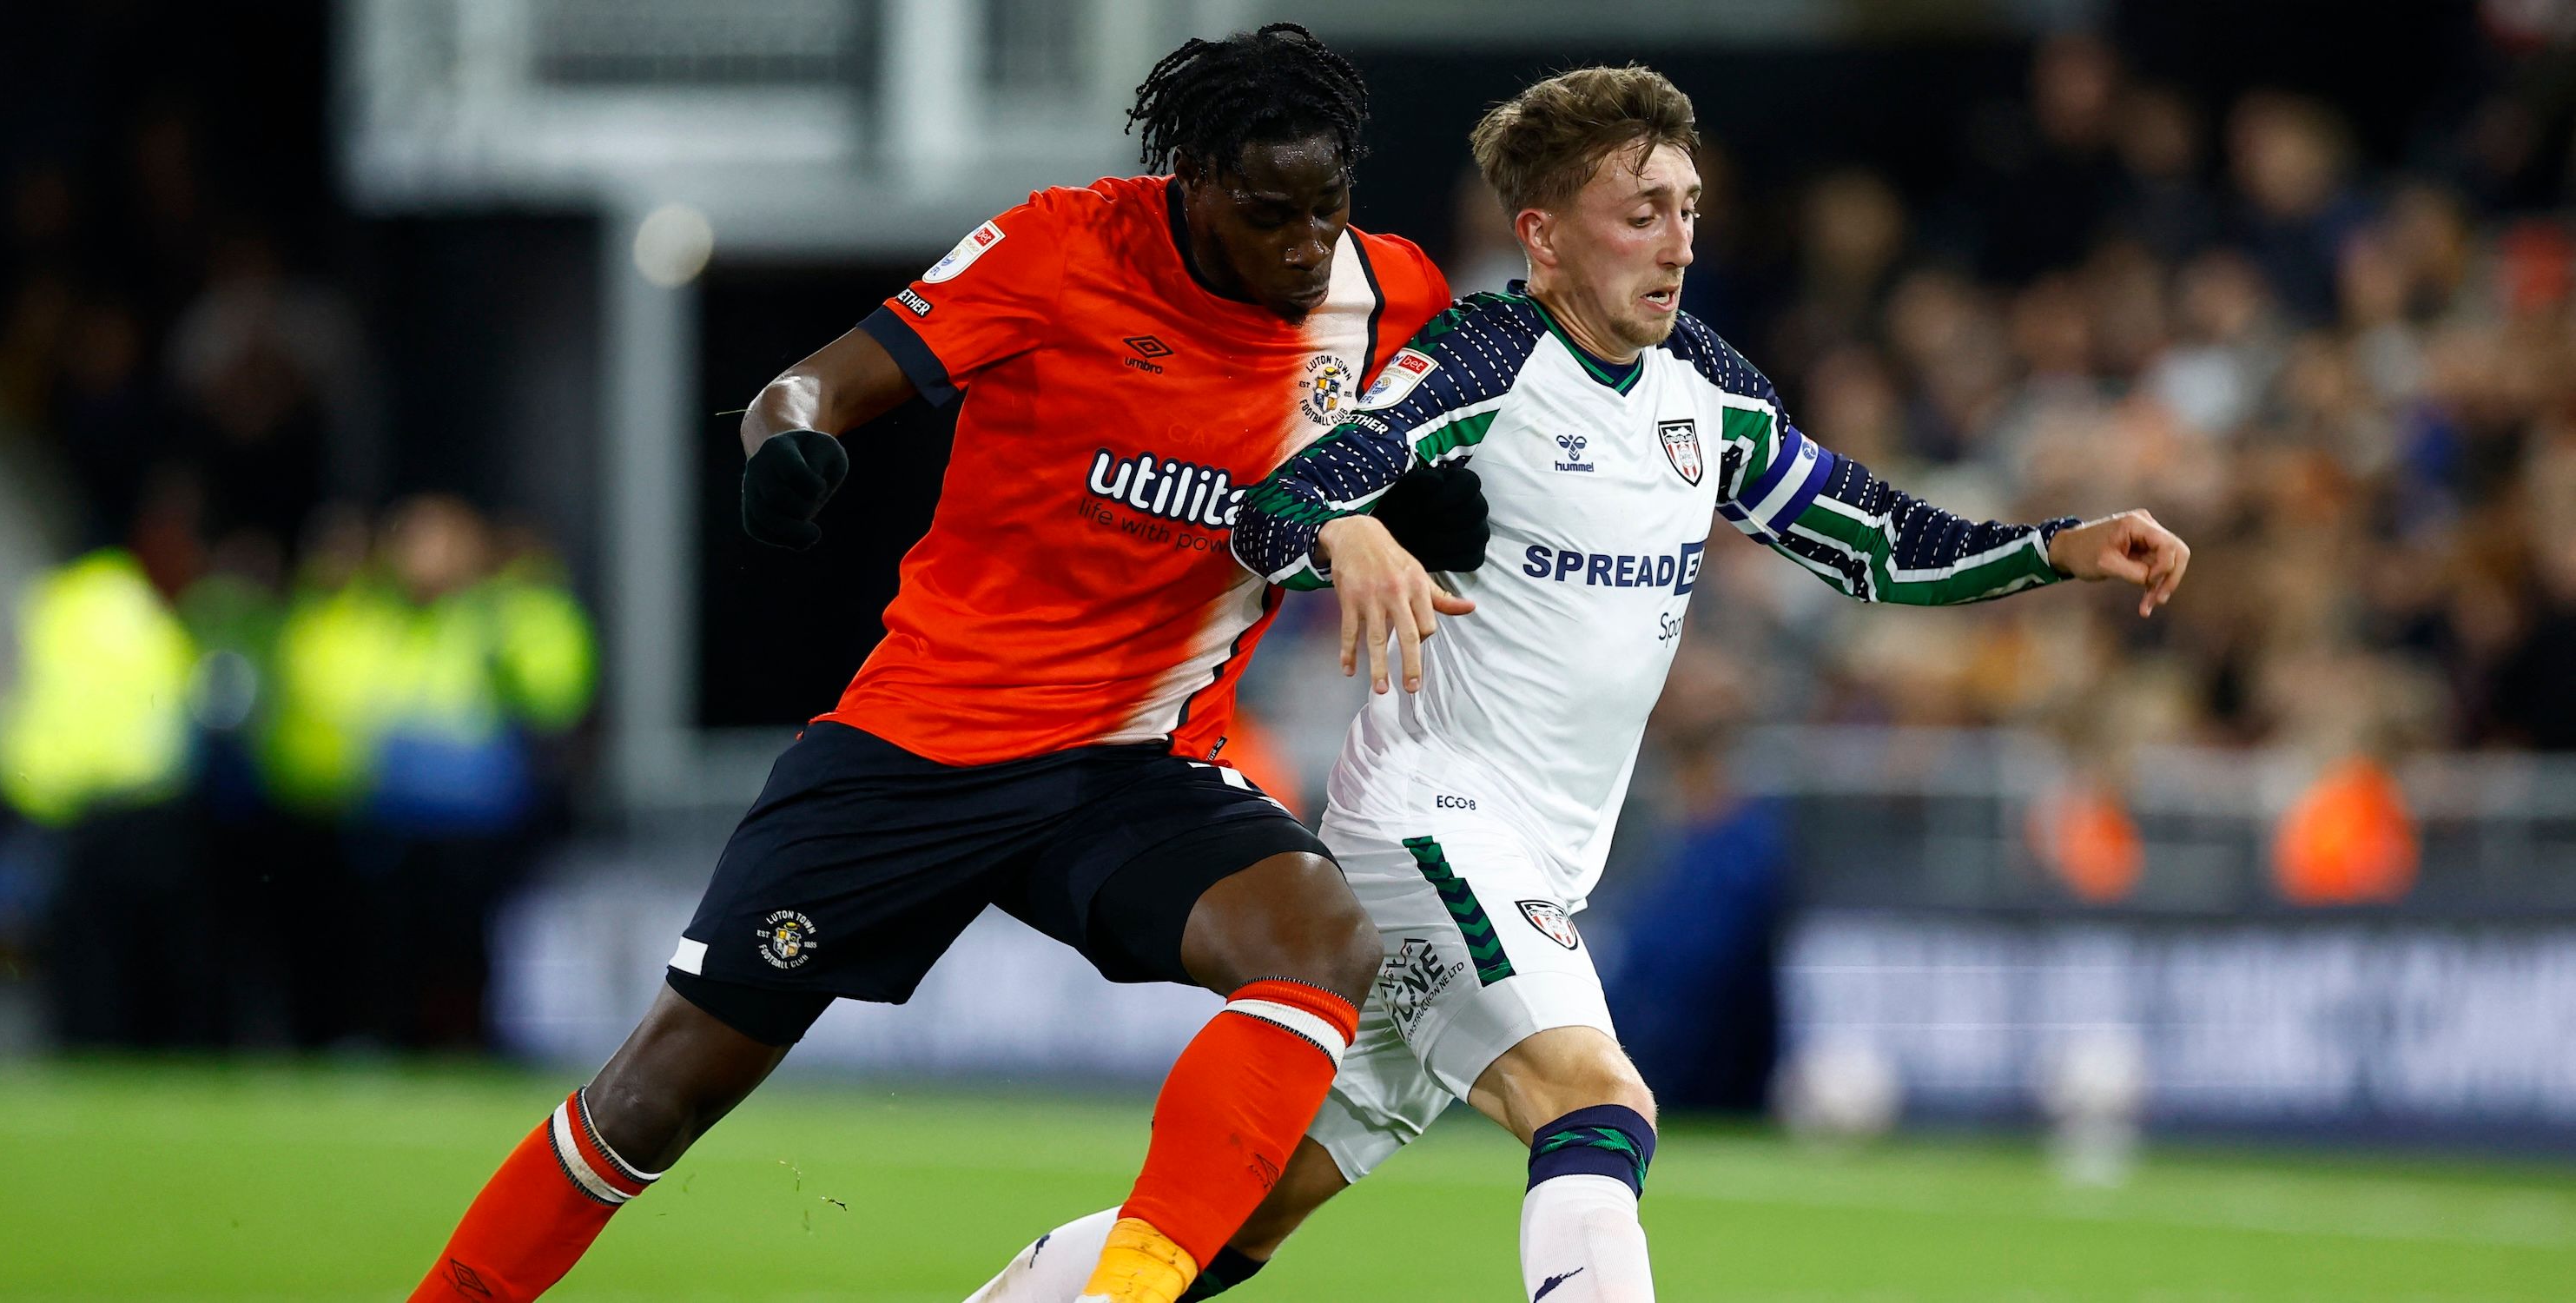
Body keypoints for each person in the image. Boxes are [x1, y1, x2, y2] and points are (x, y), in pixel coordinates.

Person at [971, 64, 2190, 1303]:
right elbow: (1281, 505)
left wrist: (2056, 549)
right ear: (1543, 239)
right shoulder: (1485, 359)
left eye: (1689, 208)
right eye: (1641, 213)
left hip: (1542, 854)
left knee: (1237, 1218)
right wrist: (1358, 533)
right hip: (1435, 825)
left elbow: (1873, 542)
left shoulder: (1708, 390)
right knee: (1598, 1099)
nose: (1678, 243)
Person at [409, 25, 1488, 1303]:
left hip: (1133, 762)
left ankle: (1120, 1291)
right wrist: (788, 451)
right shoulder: (1061, 249)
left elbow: (1424, 474)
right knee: (658, 1095)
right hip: (920, 748)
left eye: (1328, 208)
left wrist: (1433, 512)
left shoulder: (1393, 298)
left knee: (1321, 948)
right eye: (1269, 214)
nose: (1307, 245)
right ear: (1192, 180)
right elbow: (802, 389)